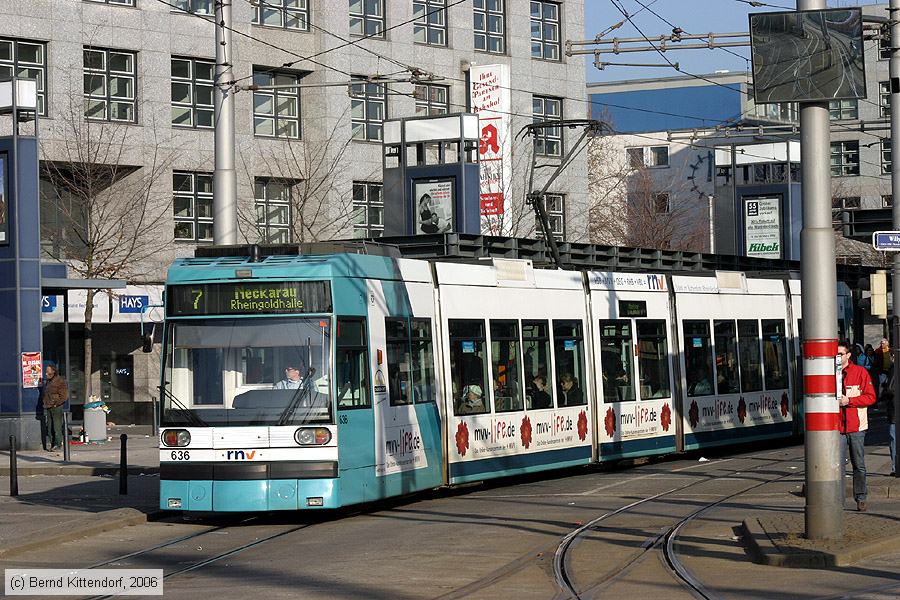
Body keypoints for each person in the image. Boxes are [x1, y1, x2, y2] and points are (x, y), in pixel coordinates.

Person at [837, 340, 877, 512]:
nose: (837, 357)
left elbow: (871, 397)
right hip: (837, 427)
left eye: (840, 354)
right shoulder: (830, 373)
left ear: (848, 355)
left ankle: (861, 498)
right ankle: (837, 500)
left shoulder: (860, 372)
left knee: (858, 465)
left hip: (857, 427)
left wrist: (849, 401)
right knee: (836, 466)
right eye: (835, 354)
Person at [41, 364, 68, 452]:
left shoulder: (59, 381)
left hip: (56, 406)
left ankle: (57, 444)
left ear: (53, 371)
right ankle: (52, 444)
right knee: (49, 427)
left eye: (48, 370)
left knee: (56, 426)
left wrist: (57, 404)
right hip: (48, 406)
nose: (46, 373)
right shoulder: (48, 381)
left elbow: (64, 396)